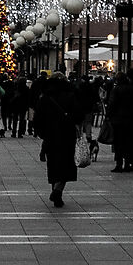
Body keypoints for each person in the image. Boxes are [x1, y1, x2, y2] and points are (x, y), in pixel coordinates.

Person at [32, 72, 79, 207]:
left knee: (53, 164)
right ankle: (58, 190)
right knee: (66, 164)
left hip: (50, 135)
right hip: (67, 134)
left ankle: (55, 189)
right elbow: (78, 114)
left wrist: (42, 133)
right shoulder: (70, 95)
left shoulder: (45, 97)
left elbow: (37, 118)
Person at [107, 68, 133, 174]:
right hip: (132, 120)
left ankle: (119, 164)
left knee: (119, 142)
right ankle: (129, 163)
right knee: (131, 141)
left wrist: (109, 116)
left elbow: (112, 104)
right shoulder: (132, 89)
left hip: (118, 120)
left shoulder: (116, 90)